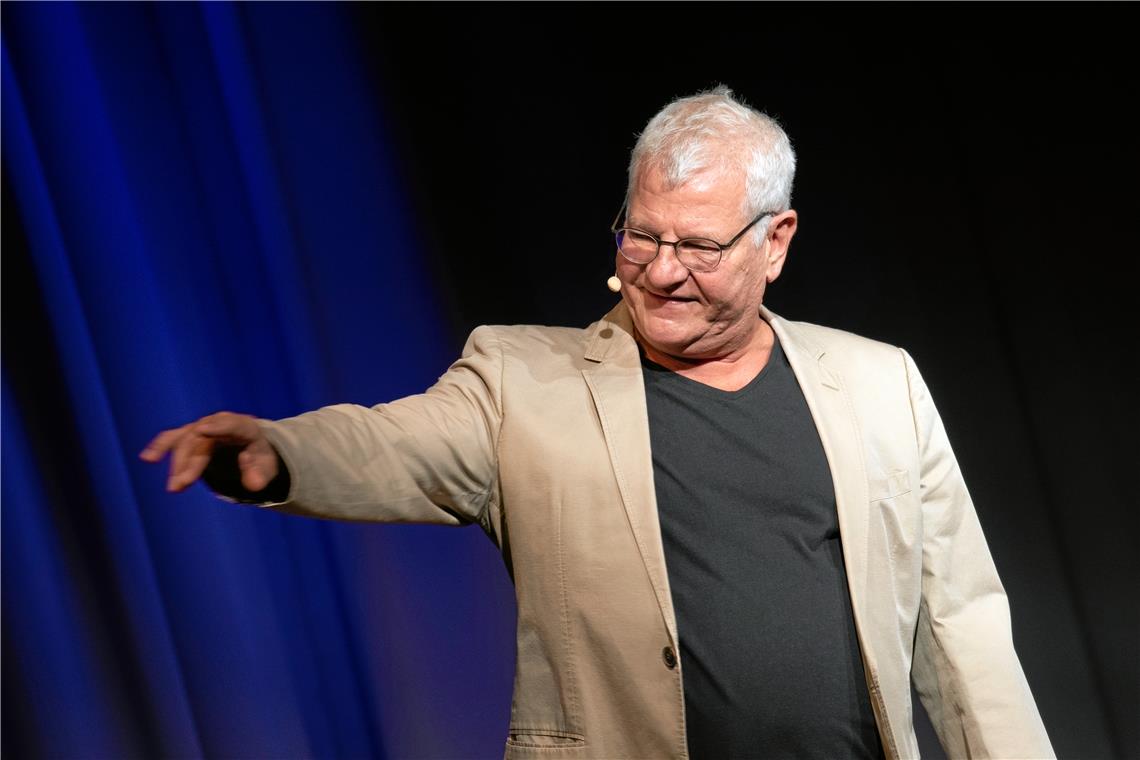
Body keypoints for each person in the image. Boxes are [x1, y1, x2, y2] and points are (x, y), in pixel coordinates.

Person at [141, 87, 1053, 759]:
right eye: (642, 234)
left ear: (775, 243)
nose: (660, 271)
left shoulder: (877, 381)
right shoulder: (522, 380)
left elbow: (960, 622)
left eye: (697, 245)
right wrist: (278, 451)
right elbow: (396, 443)